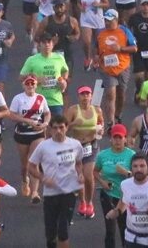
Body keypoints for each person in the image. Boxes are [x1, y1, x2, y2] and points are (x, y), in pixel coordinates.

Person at [28, 116, 84, 248]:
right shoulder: (44, 146)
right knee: (51, 234)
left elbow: (79, 163)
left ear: (66, 128)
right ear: (50, 129)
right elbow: (31, 166)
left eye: (61, 127)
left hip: (69, 192)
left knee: (63, 231)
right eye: (55, 128)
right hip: (51, 194)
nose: (58, 131)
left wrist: (80, 174)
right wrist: (43, 178)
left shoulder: (75, 144)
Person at [7, 75, 51, 201]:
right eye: (28, 84)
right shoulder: (18, 99)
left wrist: (45, 123)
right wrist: (27, 120)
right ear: (23, 85)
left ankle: (35, 192)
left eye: (32, 84)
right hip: (22, 133)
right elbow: (12, 115)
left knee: (34, 161)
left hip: (37, 133)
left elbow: (47, 113)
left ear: (36, 85)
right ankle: (24, 179)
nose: (30, 86)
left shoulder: (41, 98)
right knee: (25, 164)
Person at [65, 86, 104, 218]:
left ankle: (90, 202)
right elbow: (62, 129)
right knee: (79, 177)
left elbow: (101, 124)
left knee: (88, 176)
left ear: (91, 96)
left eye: (87, 94)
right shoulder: (72, 110)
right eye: (82, 94)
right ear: (79, 96)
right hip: (76, 147)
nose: (85, 97)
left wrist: (100, 131)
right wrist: (74, 123)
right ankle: (82, 202)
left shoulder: (97, 110)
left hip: (91, 146)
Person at [95, 125, 135, 248]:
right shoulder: (103, 155)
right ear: (110, 139)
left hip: (124, 197)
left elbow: (138, 177)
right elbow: (95, 171)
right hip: (108, 194)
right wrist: (102, 182)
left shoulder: (131, 155)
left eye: (120, 138)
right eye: (115, 137)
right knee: (110, 229)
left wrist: (126, 173)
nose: (117, 141)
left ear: (125, 139)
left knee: (124, 228)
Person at [97, 9, 137, 126]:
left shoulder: (124, 31)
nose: (107, 23)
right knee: (110, 94)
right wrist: (95, 57)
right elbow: (97, 47)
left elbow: (134, 48)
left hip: (122, 67)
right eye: (105, 20)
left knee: (121, 95)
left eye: (109, 20)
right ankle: (110, 122)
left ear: (116, 20)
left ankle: (118, 115)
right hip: (107, 69)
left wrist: (120, 49)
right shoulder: (101, 32)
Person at [20, 34, 71, 119]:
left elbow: (65, 70)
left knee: (56, 127)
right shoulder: (32, 60)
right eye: (44, 43)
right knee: (40, 128)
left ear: (52, 44)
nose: (47, 45)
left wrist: (63, 80)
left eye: (49, 42)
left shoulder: (59, 58)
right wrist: (35, 80)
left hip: (55, 100)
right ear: (39, 45)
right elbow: (21, 77)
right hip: (37, 100)